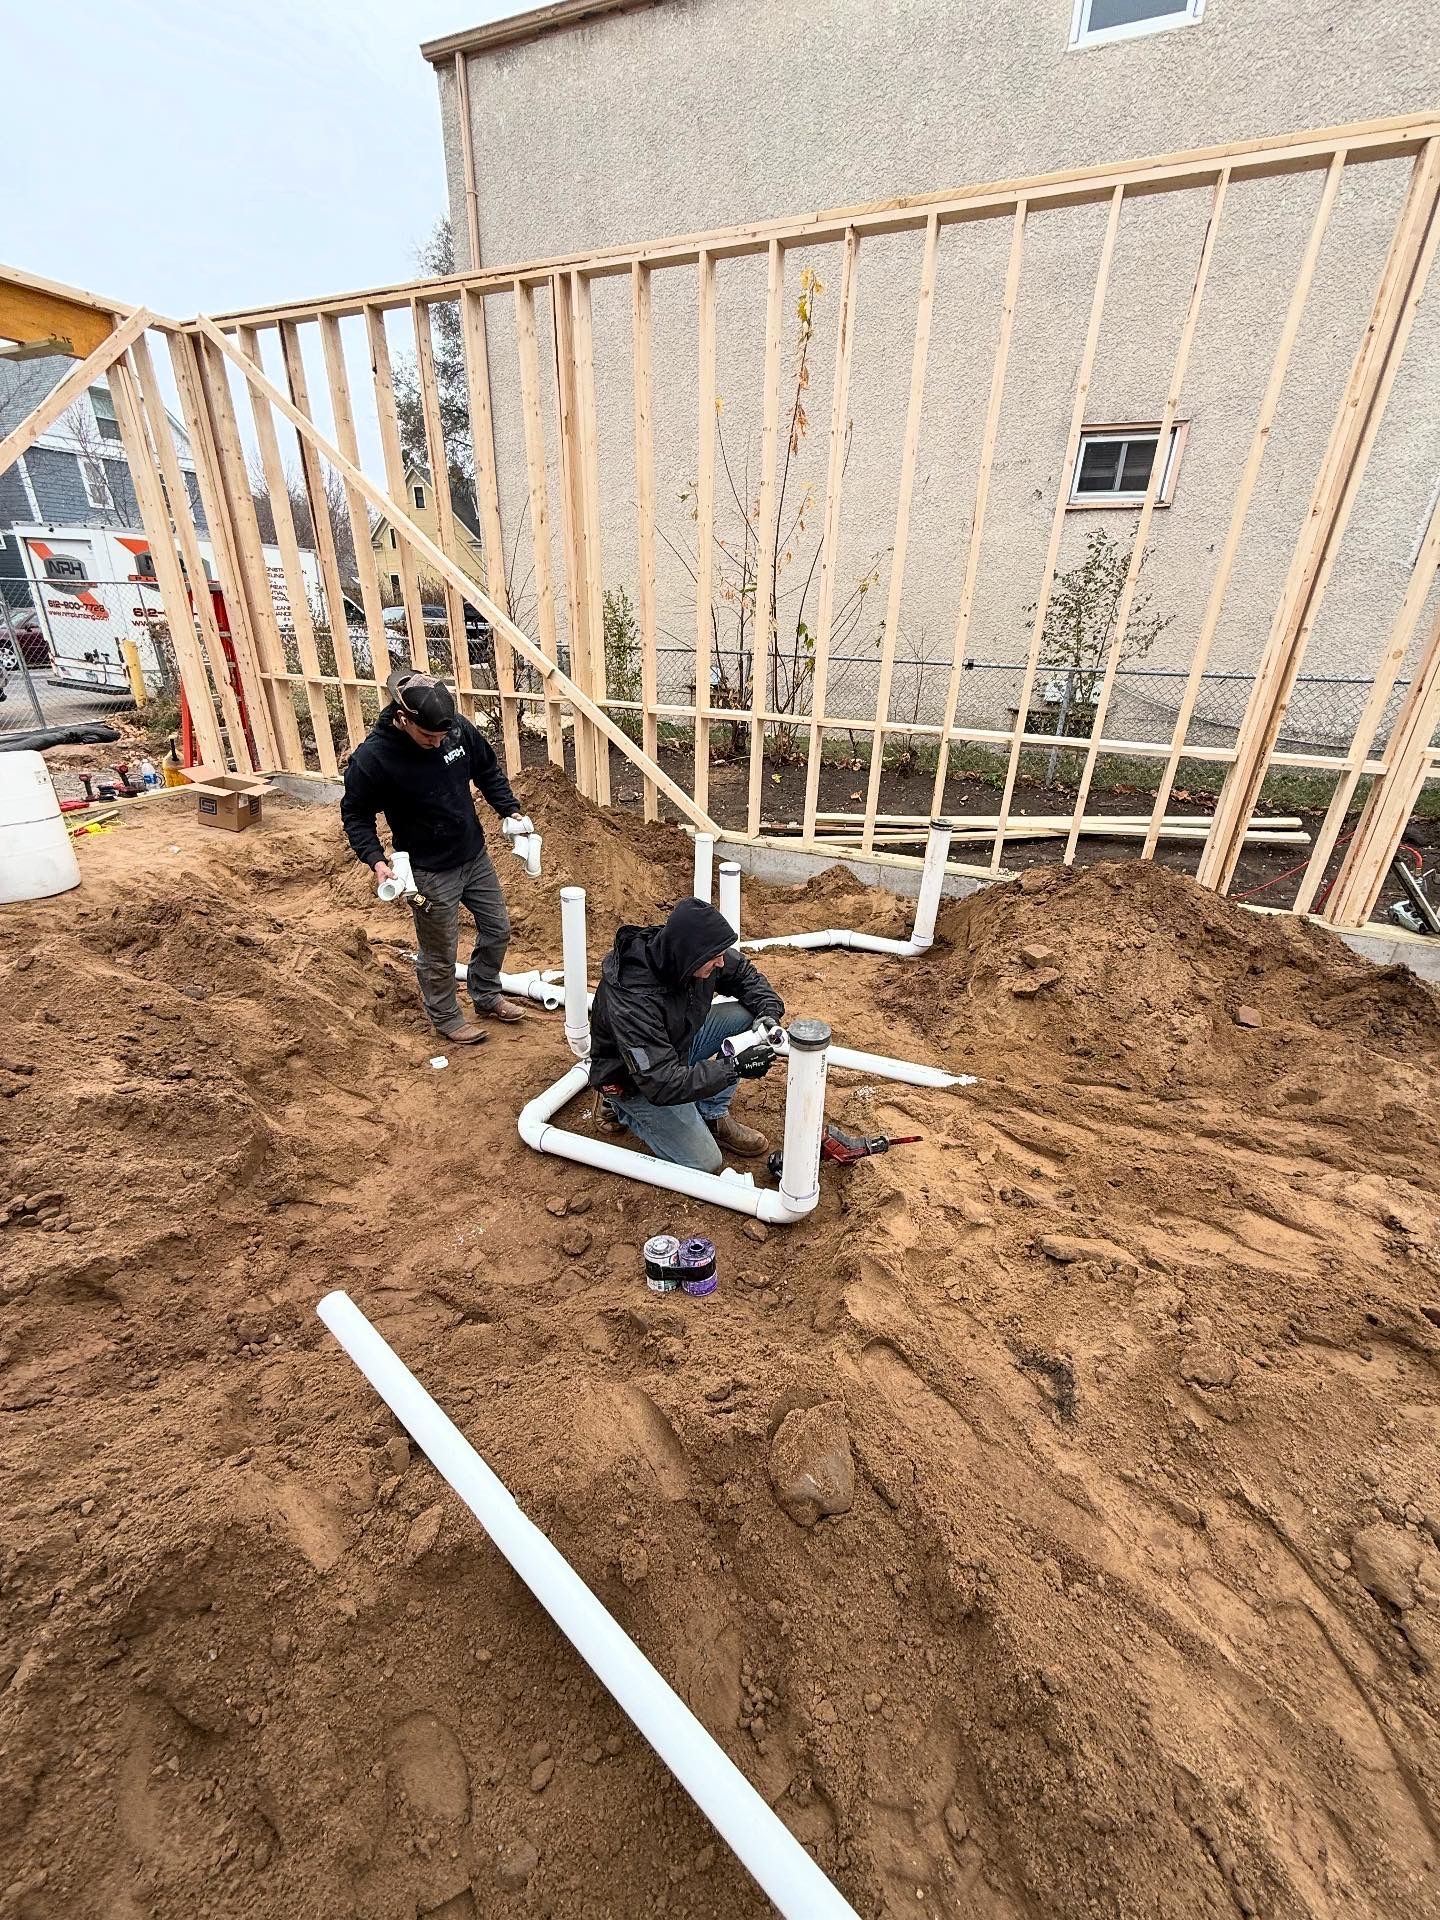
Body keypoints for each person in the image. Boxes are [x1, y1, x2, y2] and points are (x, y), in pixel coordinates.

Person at [341, 667, 534, 1045]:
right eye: (428, 736)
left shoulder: (454, 730)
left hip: (473, 855)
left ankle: (486, 994)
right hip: (427, 871)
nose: (437, 742)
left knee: (498, 929)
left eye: (442, 735)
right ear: (402, 719)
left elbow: (486, 770)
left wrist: (509, 810)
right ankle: (446, 1017)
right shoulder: (374, 759)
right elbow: (356, 815)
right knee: (439, 951)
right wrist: (377, 861)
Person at [588, 897, 785, 1172]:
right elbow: (659, 1081)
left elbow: (743, 974)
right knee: (705, 1162)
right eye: (715, 957)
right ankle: (617, 1104)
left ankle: (712, 1113)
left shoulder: (691, 951)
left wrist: (768, 1013)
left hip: (675, 1046)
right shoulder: (633, 998)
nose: (721, 962)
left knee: (750, 1018)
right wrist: (732, 1068)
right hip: (634, 1078)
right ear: (690, 955)